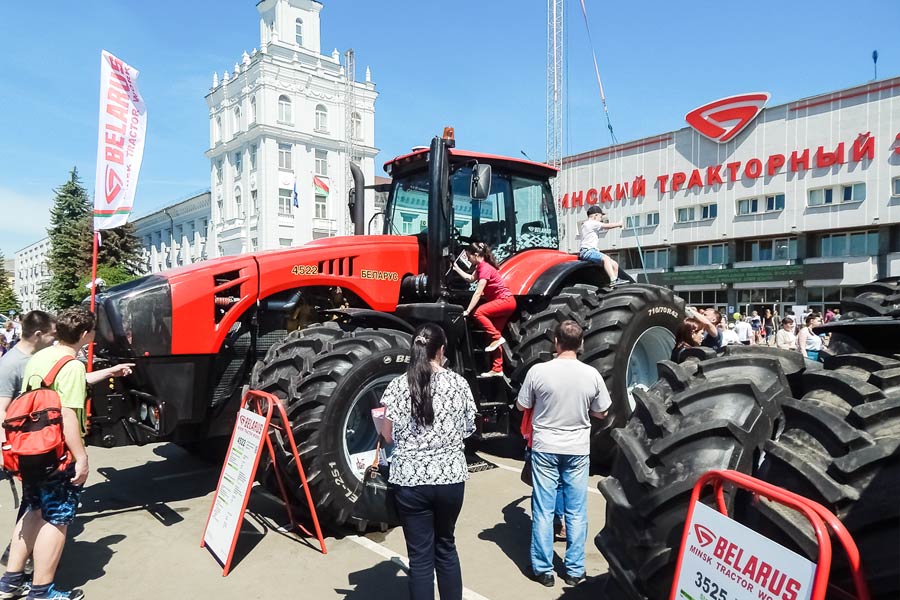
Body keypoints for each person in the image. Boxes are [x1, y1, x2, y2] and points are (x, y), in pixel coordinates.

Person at [0, 307, 127, 600]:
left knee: (33, 510)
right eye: (93, 332)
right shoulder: (71, 366)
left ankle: (10, 582)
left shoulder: (41, 357)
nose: (94, 336)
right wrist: (81, 458)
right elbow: (68, 414)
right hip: (56, 453)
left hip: (31, 448)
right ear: (84, 334)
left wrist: (109, 371)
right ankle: (42, 591)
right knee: (57, 519)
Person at [380, 323, 476, 600]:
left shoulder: (397, 386)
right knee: (446, 547)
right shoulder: (459, 383)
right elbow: (468, 428)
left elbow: (387, 435)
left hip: (410, 480)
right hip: (450, 478)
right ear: (442, 349)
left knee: (420, 559)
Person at [516, 320, 610, 587]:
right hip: (578, 448)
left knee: (544, 509)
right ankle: (574, 569)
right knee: (576, 511)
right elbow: (602, 411)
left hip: (545, 446)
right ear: (580, 344)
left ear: (555, 342)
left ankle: (543, 569)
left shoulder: (538, 371)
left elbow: (523, 404)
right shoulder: (591, 374)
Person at [453, 242, 516, 377]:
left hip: (505, 301)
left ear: (476, 255)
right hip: (505, 302)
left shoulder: (485, 268)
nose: (469, 260)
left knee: (479, 312)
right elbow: (470, 279)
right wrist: (457, 269)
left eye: (469, 257)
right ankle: (497, 369)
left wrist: (468, 311)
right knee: (494, 337)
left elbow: (478, 292)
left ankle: (497, 338)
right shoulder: (479, 268)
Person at [577, 206, 624, 283]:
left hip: (592, 251)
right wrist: (619, 224)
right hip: (588, 251)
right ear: (595, 215)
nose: (601, 219)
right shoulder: (591, 223)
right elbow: (608, 226)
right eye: (600, 217)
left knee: (615, 264)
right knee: (606, 259)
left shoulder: (586, 224)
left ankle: (614, 283)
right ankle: (613, 279)